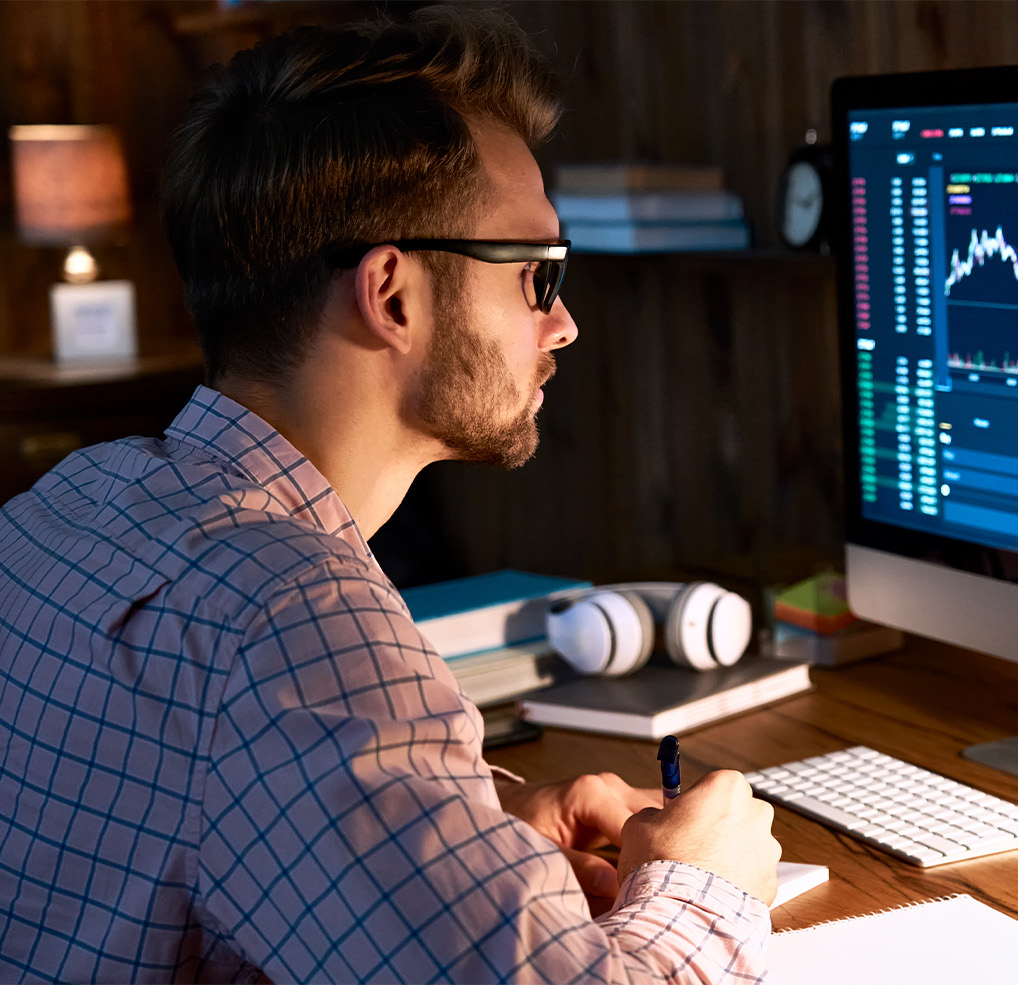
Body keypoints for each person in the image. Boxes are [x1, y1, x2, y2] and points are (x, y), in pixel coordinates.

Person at [0, 8, 780, 983]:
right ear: (393, 293)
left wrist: (469, 825)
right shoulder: (293, 616)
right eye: (538, 276)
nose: (565, 324)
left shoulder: (69, 502)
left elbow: (212, 799)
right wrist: (708, 881)